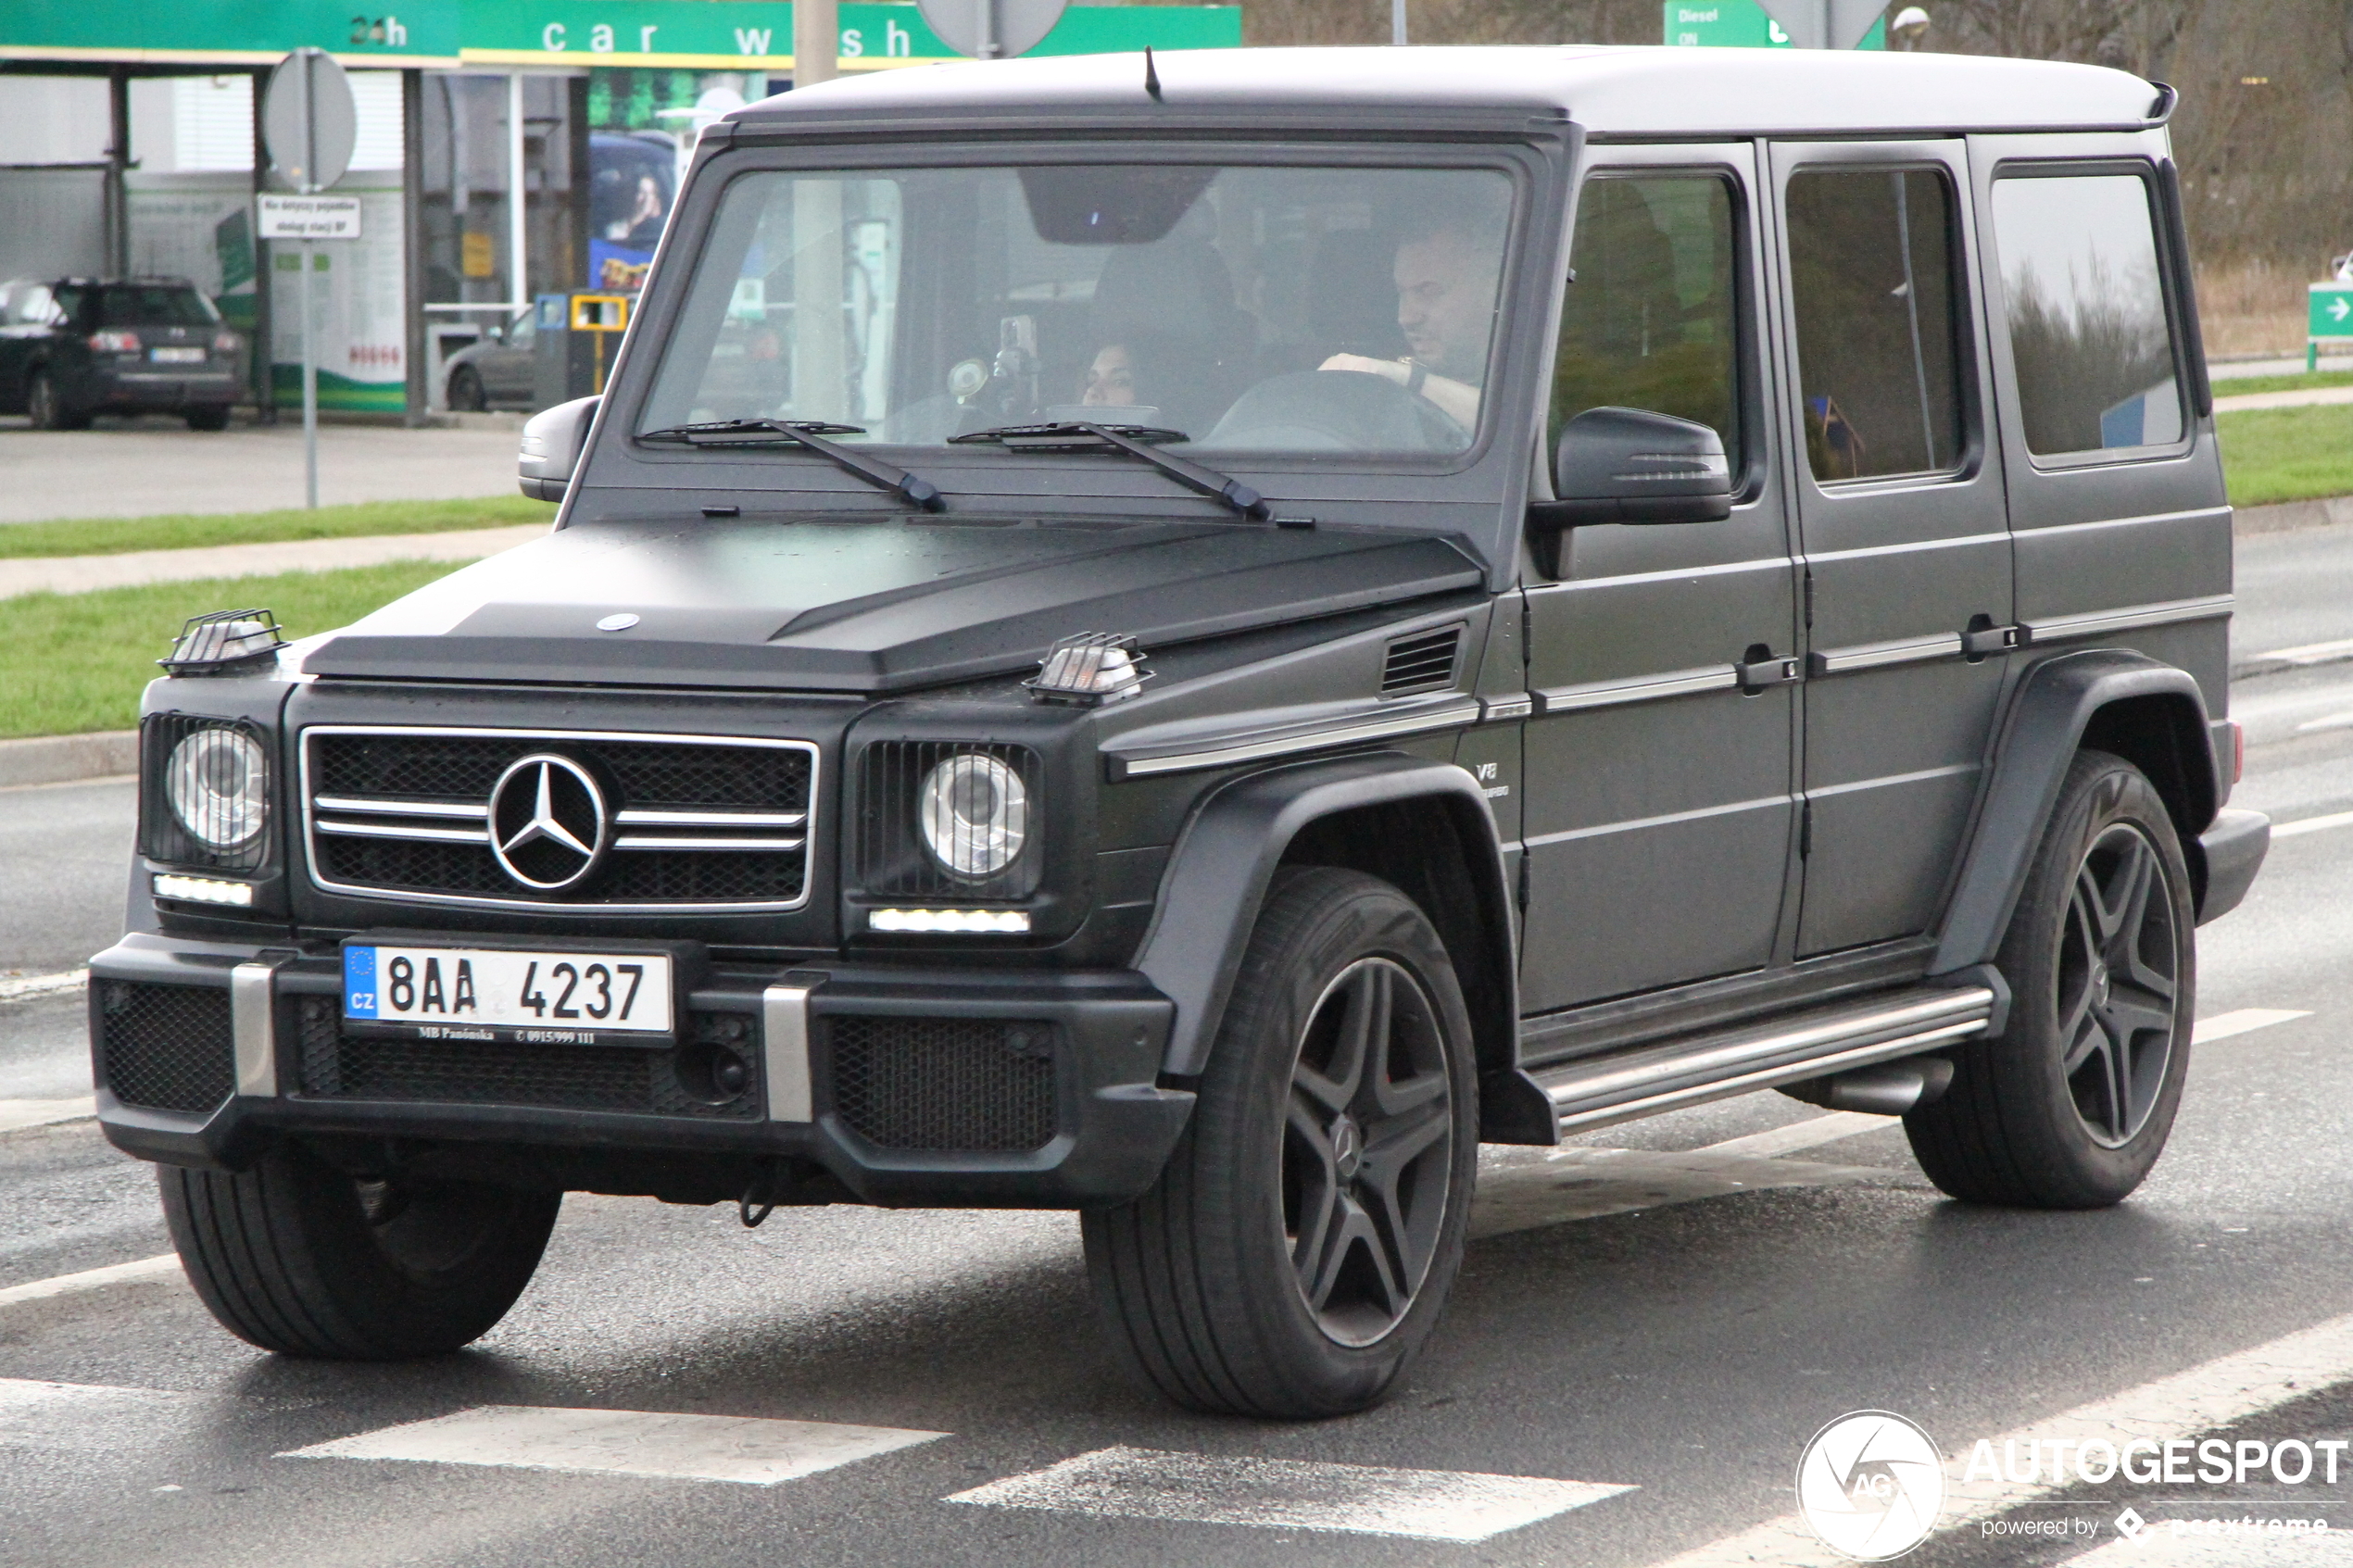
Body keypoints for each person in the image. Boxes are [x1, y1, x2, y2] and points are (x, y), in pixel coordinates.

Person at [1317, 209, 1500, 430]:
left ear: (1492, 291)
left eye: (1428, 291)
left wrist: (1409, 380)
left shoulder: (1542, 373)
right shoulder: (1377, 393)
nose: (1405, 317)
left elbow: (1517, 429)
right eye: (1401, 293)